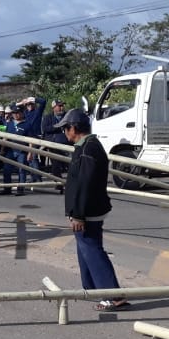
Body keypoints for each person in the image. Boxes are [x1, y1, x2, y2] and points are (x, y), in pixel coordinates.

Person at [56, 109, 129, 311]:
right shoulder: (85, 146)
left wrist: (78, 214)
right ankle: (92, 289)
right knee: (85, 249)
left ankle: (112, 295)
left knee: (92, 249)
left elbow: (85, 184)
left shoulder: (89, 148)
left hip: (87, 211)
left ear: (75, 128)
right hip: (85, 209)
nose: (64, 132)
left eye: (65, 128)